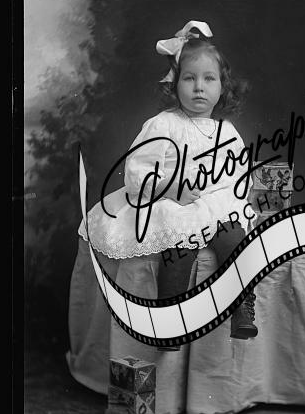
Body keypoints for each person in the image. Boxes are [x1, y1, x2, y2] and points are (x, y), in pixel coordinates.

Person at [78, 20, 258, 349]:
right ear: (174, 85)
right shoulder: (164, 125)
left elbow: (237, 174)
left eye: (209, 79)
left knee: (235, 238)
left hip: (213, 205)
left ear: (222, 87)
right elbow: (137, 171)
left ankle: (242, 308)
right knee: (179, 245)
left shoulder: (226, 131)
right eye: (189, 79)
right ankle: (170, 322)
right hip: (171, 201)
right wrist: (172, 188)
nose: (199, 87)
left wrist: (224, 201)